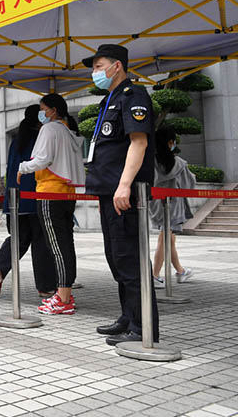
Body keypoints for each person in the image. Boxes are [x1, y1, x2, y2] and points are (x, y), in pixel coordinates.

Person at [83, 44, 159, 346]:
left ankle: (144, 328)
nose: (95, 72)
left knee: (130, 260)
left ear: (117, 67)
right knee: (117, 259)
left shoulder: (133, 95)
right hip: (109, 193)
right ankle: (128, 317)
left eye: (99, 66)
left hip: (122, 193)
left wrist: (125, 184)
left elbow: (138, 142)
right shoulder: (110, 99)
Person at [17, 94, 85, 315]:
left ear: (53, 110)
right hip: (67, 194)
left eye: (43, 108)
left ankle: (63, 298)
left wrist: (22, 167)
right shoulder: (67, 130)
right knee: (66, 243)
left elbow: (43, 159)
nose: (41, 112)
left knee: (56, 246)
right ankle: (65, 293)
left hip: (49, 191)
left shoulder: (50, 129)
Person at [0, 105, 56, 299]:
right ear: (39, 119)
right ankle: (46, 286)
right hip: (35, 198)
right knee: (41, 242)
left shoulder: (17, 140)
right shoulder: (40, 138)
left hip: (13, 201)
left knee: (17, 239)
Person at [149, 125, 195, 287]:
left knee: (170, 240)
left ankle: (180, 271)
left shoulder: (150, 162)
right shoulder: (178, 163)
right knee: (165, 239)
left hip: (155, 204)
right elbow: (189, 185)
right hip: (172, 206)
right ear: (170, 142)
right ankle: (154, 275)